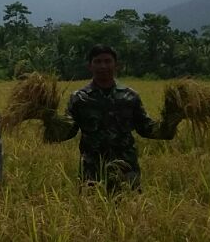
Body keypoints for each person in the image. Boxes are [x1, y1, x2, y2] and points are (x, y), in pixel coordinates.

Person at [47, 44, 177, 191]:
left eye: (108, 61)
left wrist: (173, 118)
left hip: (126, 170)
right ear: (90, 66)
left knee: (131, 212)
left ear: (116, 66)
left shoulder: (130, 96)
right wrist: (48, 119)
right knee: (91, 211)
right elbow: (68, 131)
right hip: (92, 171)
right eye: (97, 61)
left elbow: (146, 128)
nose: (103, 66)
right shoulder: (79, 98)